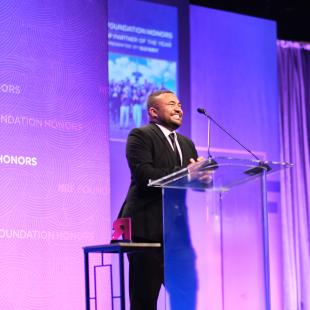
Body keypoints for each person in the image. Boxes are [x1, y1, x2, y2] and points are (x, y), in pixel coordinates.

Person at [118, 90, 206, 310]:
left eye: (180, 104)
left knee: (186, 295)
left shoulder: (187, 144)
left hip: (178, 234)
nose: (179, 109)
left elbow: (188, 180)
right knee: (145, 300)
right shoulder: (140, 136)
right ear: (153, 112)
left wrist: (202, 179)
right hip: (146, 230)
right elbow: (145, 176)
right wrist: (187, 173)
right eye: (172, 104)